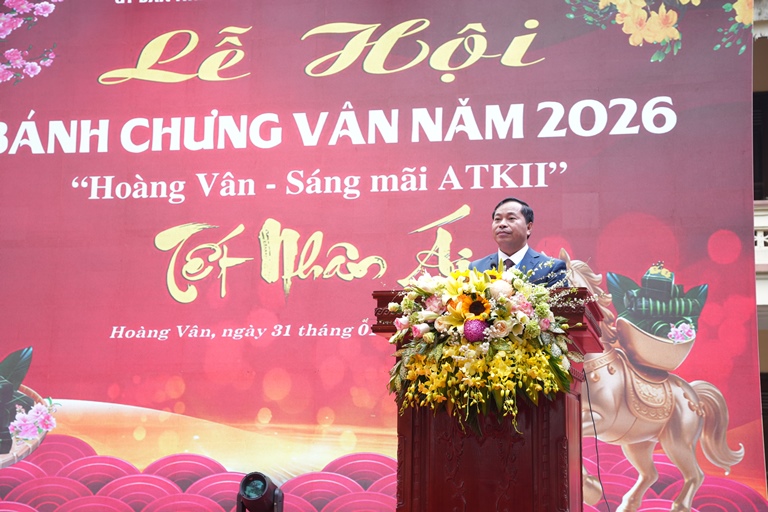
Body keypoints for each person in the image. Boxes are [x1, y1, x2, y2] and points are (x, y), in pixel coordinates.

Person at [469, 197, 569, 287]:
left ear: (528, 228)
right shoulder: (476, 268)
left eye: (511, 218)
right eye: (497, 219)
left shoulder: (551, 268)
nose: (502, 224)